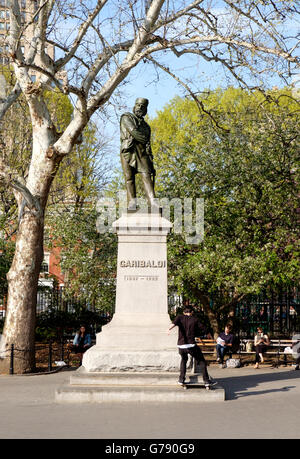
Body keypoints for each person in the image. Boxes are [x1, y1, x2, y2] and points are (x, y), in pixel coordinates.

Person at [120, 97, 157, 210]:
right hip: (128, 151)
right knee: (129, 178)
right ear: (134, 106)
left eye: (143, 106)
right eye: (138, 105)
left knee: (146, 175)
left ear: (146, 109)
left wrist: (151, 162)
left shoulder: (147, 127)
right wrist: (144, 138)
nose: (140, 107)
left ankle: (153, 203)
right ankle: (132, 203)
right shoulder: (126, 117)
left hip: (142, 153)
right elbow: (134, 132)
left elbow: (148, 145)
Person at [167, 306, 211, 387]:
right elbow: (203, 328)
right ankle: (206, 381)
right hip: (191, 345)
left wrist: (169, 329)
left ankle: (181, 379)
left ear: (184, 312)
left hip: (181, 346)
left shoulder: (179, 317)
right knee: (201, 361)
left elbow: (173, 324)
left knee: (184, 360)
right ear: (192, 312)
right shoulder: (195, 319)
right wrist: (208, 333)